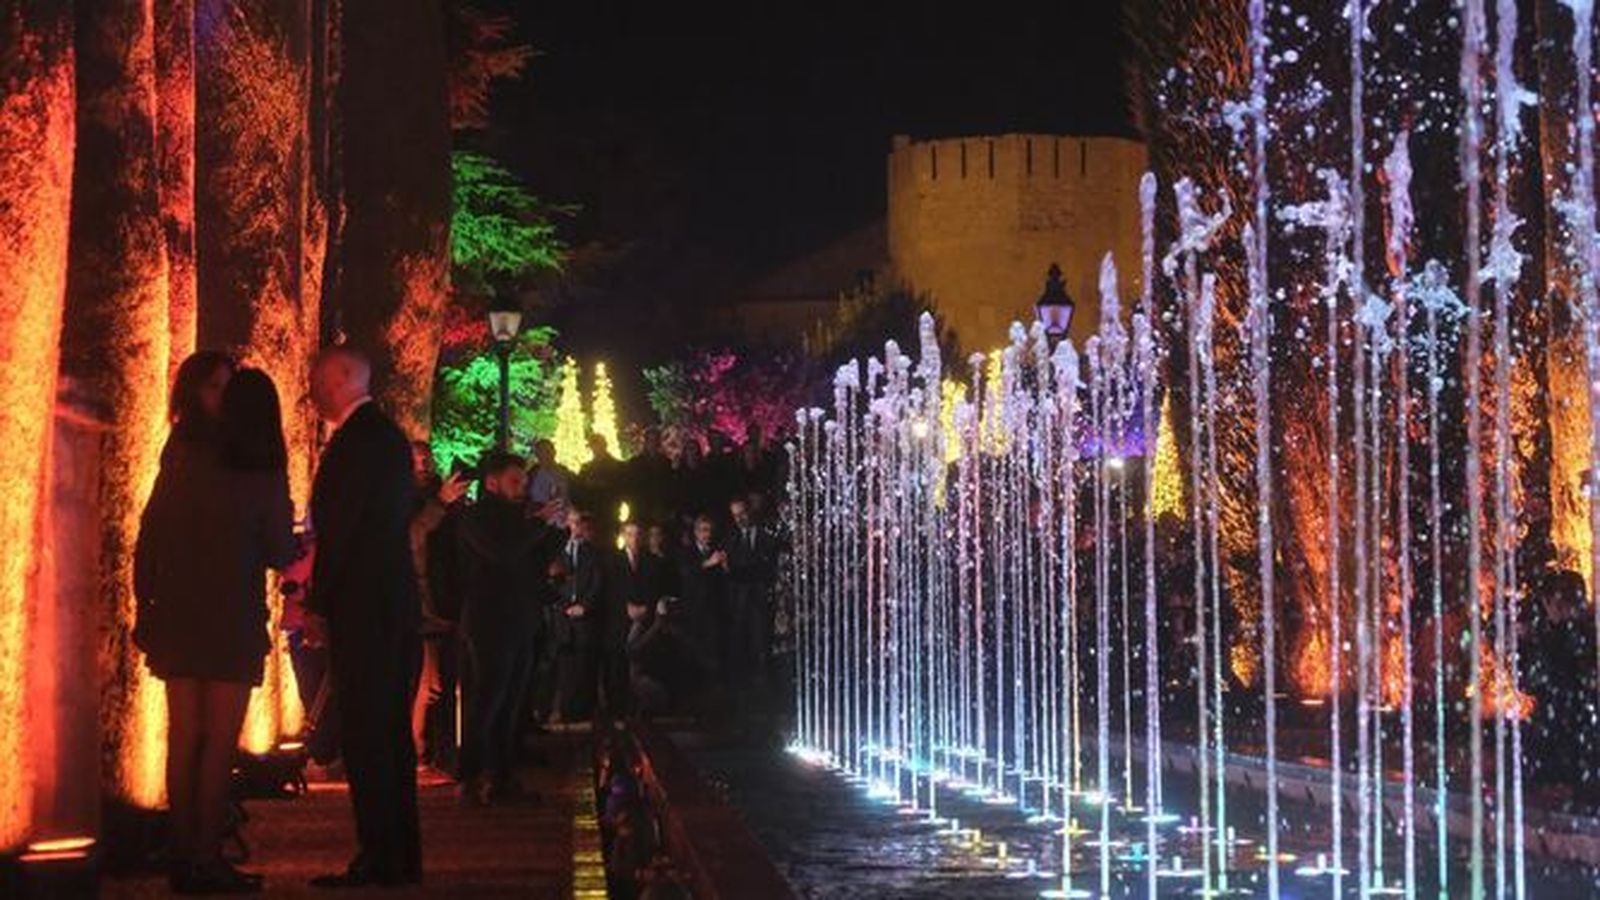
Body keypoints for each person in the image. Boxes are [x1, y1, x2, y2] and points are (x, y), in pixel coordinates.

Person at [136, 359, 296, 895]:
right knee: (217, 740)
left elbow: (151, 530)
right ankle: (205, 857)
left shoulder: (180, 454)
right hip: (229, 610)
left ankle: (183, 854)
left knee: (186, 737)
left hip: (179, 608)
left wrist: (146, 603)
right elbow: (278, 549)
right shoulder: (259, 465)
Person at [304, 347, 422, 889]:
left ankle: (380, 855)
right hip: (388, 602)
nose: (315, 388)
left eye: (321, 378)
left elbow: (342, 531)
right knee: (389, 732)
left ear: (345, 377)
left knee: (369, 731)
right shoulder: (388, 440)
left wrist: (318, 601)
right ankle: (397, 852)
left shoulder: (358, 444)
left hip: (363, 605)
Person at [454, 452, 559, 804]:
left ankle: (500, 778)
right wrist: (538, 525)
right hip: (490, 620)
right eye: (515, 482)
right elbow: (503, 552)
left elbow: (529, 562)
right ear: (493, 482)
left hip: (518, 619)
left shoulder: (519, 518)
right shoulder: (477, 518)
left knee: (511, 701)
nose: (522, 488)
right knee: (488, 698)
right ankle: (469, 776)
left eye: (524, 483)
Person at [408, 442, 469, 773]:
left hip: (447, 597)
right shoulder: (408, 500)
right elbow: (413, 536)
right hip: (422, 600)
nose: (423, 465)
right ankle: (416, 746)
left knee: (440, 682)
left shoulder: (442, 501)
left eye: (426, 458)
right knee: (425, 682)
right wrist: (440, 504)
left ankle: (436, 749)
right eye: (416, 460)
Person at [604, 522, 668, 714]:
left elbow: (655, 588)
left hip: (644, 620)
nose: (634, 538)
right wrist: (625, 607)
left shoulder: (651, 561)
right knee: (617, 666)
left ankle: (639, 708)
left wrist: (646, 607)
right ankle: (616, 709)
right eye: (630, 534)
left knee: (641, 666)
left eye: (637, 534)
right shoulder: (611, 560)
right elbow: (609, 589)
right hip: (619, 620)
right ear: (623, 536)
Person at [551, 509, 604, 722]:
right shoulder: (556, 552)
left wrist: (585, 606)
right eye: (571, 523)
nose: (575, 527)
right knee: (565, 665)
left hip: (584, 616)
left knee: (585, 664)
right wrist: (562, 606)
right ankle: (565, 710)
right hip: (562, 616)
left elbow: (597, 584)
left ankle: (583, 711)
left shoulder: (592, 552)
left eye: (578, 523)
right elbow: (551, 582)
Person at [724, 497, 782, 692]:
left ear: (750, 511)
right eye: (735, 516)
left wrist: (736, 572)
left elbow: (766, 568)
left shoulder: (767, 536)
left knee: (761, 645)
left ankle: (764, 690)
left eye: (742, 514)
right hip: (738, 602)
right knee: (740, 646)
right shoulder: (731, 539)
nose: (739, 519)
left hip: (760, 600)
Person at [526, 438, 571, 527]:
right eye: (540, 452)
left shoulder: (565, 473)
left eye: (547, 451)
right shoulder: (532, 473)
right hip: (539, 520)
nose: (545, 455)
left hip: (562, 520)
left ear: (554, 452)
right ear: (536, 454)